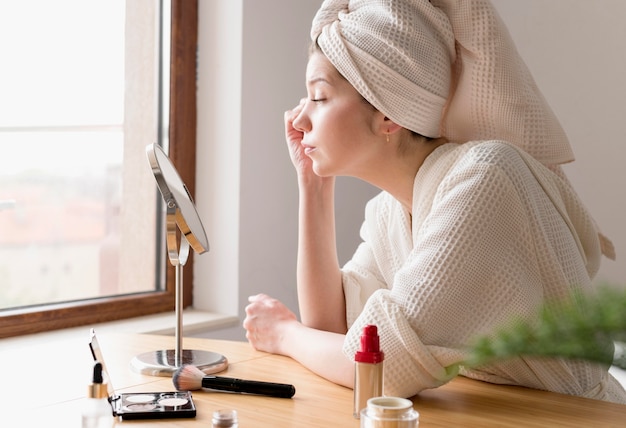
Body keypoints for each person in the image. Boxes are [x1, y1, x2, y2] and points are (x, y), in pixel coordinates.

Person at [243, 0, 626, 404]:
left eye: (319, 97)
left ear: (388, 115)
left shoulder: (483, 180)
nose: (299, 119)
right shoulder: (392, 210)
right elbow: (335, 329)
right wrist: (313, 184)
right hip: (498, 413)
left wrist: (284, 335)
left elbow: (377, 367)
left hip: (578, 417)